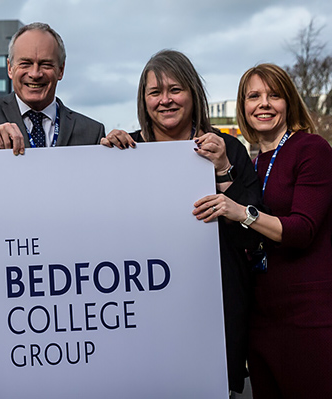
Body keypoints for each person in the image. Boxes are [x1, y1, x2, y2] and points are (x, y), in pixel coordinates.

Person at [100, 49, 261, 394]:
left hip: (216, 310)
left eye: (175, 89)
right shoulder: (125, 150)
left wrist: (222, 170)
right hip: (147, 308)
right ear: (143, 101)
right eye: (155, 92)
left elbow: (251, 237)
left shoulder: (228, 148)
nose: (165, 100)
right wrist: (105, 161)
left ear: (193, 92)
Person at [192, 63, 332, 398]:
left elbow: (302, 230)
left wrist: (241, 212)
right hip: (264, 317)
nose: (264, 104)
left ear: (289, 103)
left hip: (309, 317)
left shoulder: (311, 149)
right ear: (243, 106)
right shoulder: (253, 162)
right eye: (254, 96)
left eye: (274, 95)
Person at [0, 22, 105, 154]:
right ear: (10, 68)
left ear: (61, 70)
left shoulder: (92, 132)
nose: (35, 74)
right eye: (25, 63)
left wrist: (122, 150)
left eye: (46, 64)